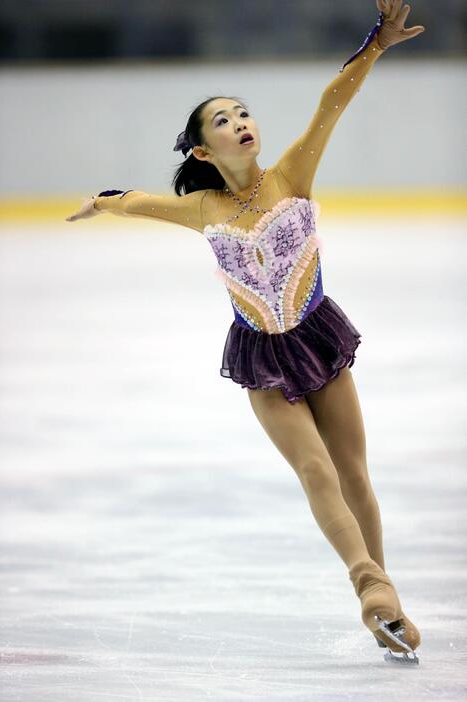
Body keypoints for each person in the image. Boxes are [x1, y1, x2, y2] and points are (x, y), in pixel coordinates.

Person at [66, 0, 425, 664]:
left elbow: (330, 105)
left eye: (243, 112)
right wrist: (101, 203)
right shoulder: (202, 207)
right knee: (316, 470)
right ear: (204, 149)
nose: (241, 122)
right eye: (223, 120)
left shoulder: (292, 173)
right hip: (262, 357)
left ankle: (387, 598)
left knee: (354, 474)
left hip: (318, 336)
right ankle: (371, 589)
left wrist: (376, 43)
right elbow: (139, 200)